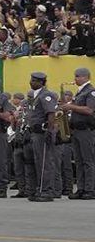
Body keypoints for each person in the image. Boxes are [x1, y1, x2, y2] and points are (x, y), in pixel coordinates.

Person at [61, 67, 95, 199]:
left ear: (85, 77)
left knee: (88, 160)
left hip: (86, 130)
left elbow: (89, 110)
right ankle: (81, 188)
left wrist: (70, 106)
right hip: (76, 130)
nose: (75, 79)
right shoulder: (80, 92)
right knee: (79, 161)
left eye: (77, 76)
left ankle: (90, 189)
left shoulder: (91, 91)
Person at [26, 72, 58, 202]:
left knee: (45, 162)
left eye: (34, 80)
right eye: (31, 80)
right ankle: (40, 189)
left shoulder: (46, 95)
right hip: (35, 133)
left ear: (41, 82)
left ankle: (47, 191)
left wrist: (50, 131)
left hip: (43, 132)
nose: (31, 82)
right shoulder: (35, 96)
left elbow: (51, 113)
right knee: (38, 162)